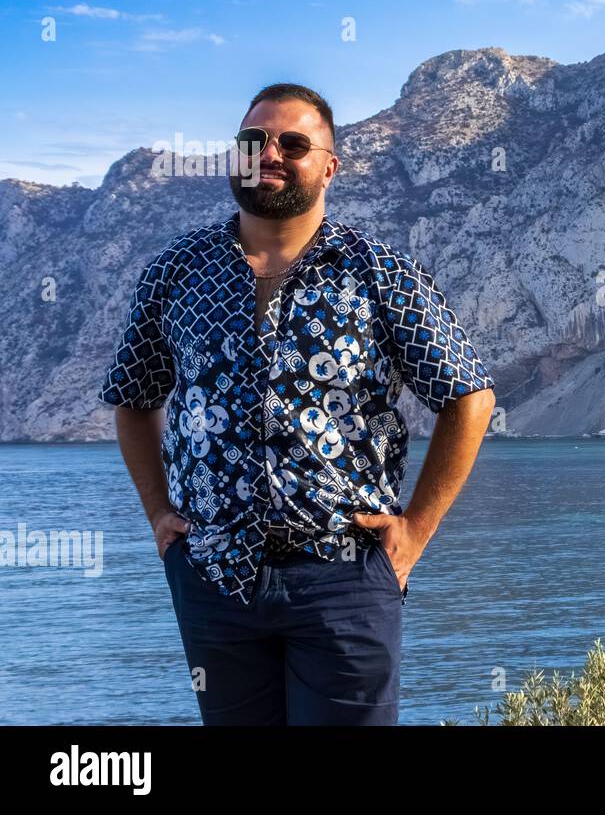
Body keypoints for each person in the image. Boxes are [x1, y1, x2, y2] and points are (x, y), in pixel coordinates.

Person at [99, 82, 497, 724]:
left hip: (346, 576)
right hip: (213, 576)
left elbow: (469, 399)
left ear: (329, 166)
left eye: (293, 142)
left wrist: (415, 531)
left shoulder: (378, 272)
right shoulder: (178, 271)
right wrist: (158, 516)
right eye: (254, 141)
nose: (270, 153)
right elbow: (133, 400)